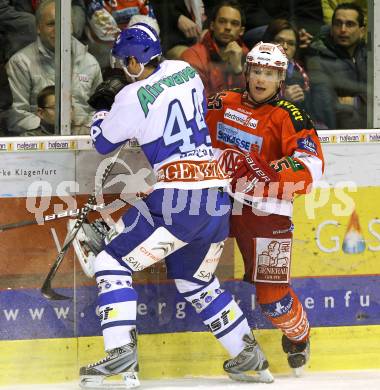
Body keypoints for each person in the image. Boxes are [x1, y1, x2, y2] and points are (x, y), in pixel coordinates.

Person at [79, 23, 274, 388]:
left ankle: (120, 355)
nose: (124, 69)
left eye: (126, 63)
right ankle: (247, 353)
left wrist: (103, 111)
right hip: (216, 201)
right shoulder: (185, 70)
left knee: (109, 262)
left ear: (135, 62)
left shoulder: (129, 97)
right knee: (195, 282)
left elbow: (103, 144)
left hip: (178, 201)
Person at [206, 42, 324, 373]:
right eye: (256, 71)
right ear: (246, 73)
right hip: (217, 200)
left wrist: (269, 172)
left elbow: (311, 165)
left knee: (273, 299)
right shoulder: (222, 102)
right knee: (191, 266)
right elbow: (188, 131)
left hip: (267, 210)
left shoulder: (290, 114)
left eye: (269, 74)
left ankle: (299, 336)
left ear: (280, 80)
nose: (261, 79)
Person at [5, 0, 102, 135]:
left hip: (83, 142)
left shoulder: (90, 63)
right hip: (40, 144)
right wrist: (50, 129)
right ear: (38, 28)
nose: (58, 30)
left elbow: (99, 111)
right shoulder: (20, 63)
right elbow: (16, 116)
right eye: (51, 24)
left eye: (64, 23)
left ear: (72, 26)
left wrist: (85, 129)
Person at [306, 2, 367, 129]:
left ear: (362, 31)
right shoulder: (318, 58)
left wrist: (355, 102)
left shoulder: (371, 57)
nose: (343, 29)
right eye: (338, 24)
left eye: (350, 24)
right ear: (332, 29)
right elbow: (327, 106)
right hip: (338, 137)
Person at [181, 0, 248, 97]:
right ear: (212, 25)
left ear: (241, 31)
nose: (228, 27)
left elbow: (248, 98)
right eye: (222, 21)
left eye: (234, 23)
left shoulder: (247, 55)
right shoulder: (192, 56)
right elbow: (201, 101)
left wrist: (238, 70)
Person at [262, 18, 312, 114]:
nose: (285, 47)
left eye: (291, 43)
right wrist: (284, 100)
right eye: (279, 41)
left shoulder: (301, 73)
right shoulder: (256, 70)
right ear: (268, 43)